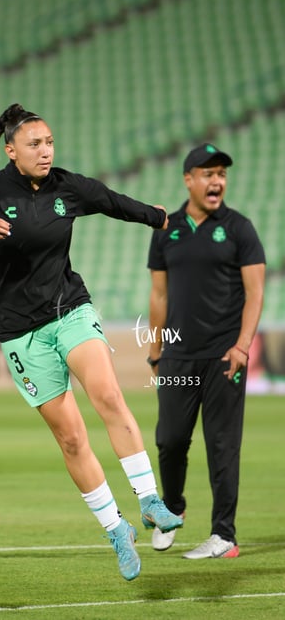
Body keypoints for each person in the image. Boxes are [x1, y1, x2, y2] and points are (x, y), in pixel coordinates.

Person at [0, 103, 183, 581]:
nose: (45, 151)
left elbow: (112, 201)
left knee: (108, 394)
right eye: (35, 144)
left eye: (49, 142)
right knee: (71, 437)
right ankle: (116, 529)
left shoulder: (67, 186)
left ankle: (150, 498)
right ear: (11, 151)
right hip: (19, 333)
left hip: (68, 309)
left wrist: (158, 218)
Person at [147, 143, 265, 559]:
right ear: (188, 179)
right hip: (177, 356)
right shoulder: (167, 229)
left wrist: (242, 347)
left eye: (222, 174)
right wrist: (156, 352)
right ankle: (172, 508)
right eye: (208, 173)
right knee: (170, 439)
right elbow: (158, 296)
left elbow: (255, 293)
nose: (217, 181)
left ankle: (224, 534)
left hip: (223, 357)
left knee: (222, 444)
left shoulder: (239, 229)